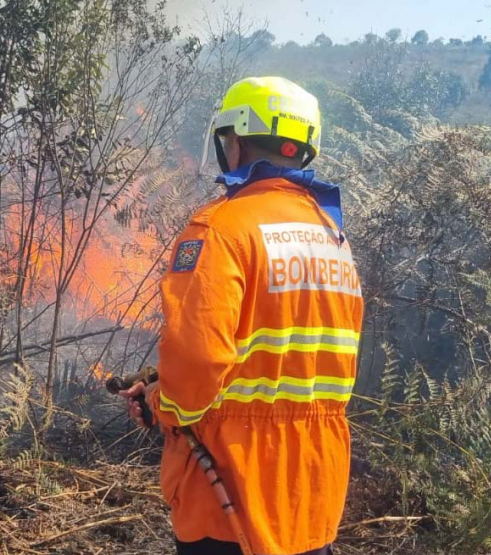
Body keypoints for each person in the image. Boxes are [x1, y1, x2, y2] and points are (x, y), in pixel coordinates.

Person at [120, 76, 364, 555]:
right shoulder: (332, 238)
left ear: (235, 141)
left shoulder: (222, 228)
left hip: (232, 488)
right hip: (312, 490)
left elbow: (196, 361)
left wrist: (158, 401)